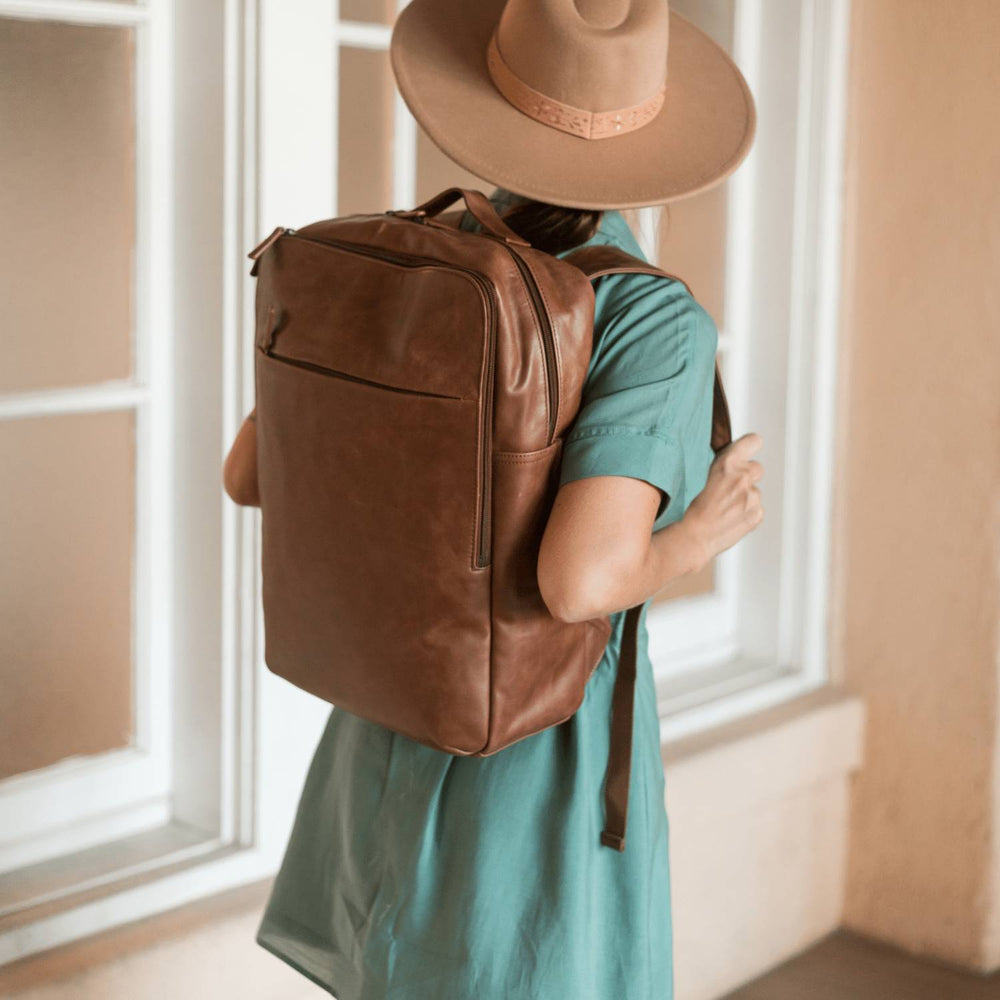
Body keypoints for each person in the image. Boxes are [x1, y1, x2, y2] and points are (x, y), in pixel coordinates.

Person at [224, 1, 764, 997]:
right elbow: (578, 578)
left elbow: (249, 475)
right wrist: (696, 538)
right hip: (530, 758)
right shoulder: (649, 317)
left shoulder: (412, 265)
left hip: (388, 718)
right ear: (657, 131)